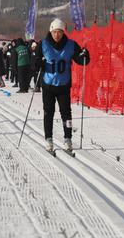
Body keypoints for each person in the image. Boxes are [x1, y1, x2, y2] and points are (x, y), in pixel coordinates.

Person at [37, 19, 89, 153]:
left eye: (59, 32)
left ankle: (68, 138)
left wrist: (85, 56)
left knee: (66, 114)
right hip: (48, 85)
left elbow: (80, 60)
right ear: (51, 31)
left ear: (63, 32)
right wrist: (38, 63)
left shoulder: (71, 45)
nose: (57, 35)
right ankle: (48, 139)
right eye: (55, 32)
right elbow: (35, 62)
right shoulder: (43, 44)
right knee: (48, 113)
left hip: (63, 86)